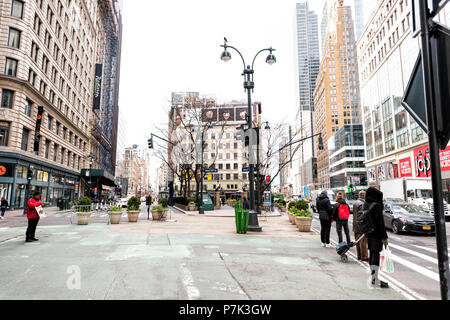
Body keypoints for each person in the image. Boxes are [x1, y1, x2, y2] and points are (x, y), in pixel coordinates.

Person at [364, 187, 389, 288]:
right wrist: (384, 237)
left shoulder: (366, 204)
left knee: (372, 255)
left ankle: (374, 278)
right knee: (376, 256)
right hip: (377, 234)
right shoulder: (377, 206)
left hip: (369, 233)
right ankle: (375, 279)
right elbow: (380, 223)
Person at [353, 191, 369, 262]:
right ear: (364, 196)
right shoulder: (363, 204)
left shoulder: (356, 202)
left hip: (355, 225)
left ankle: (359, 255)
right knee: (363, 242)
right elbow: (362, 216)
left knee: (357, 241)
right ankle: (364, 257)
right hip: (361, 226)